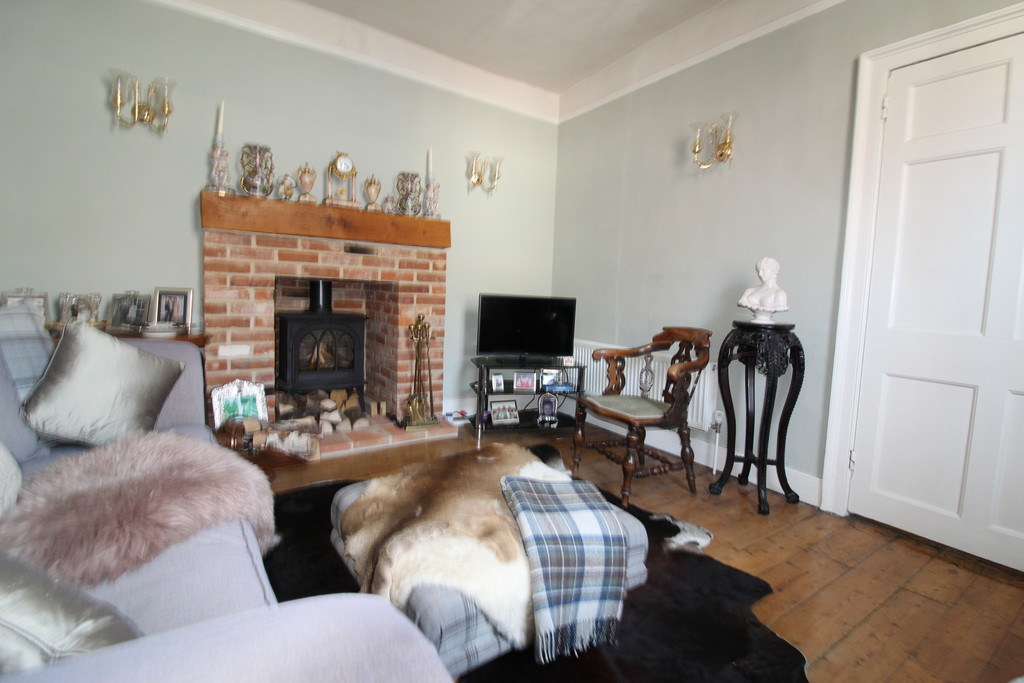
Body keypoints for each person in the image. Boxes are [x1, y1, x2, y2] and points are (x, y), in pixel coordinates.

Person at [738, 256, 788, 323]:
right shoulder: (750, 291)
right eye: (758, 271)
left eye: (763, 270)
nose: (760, 274)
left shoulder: (780, 294)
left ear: (773, 271)